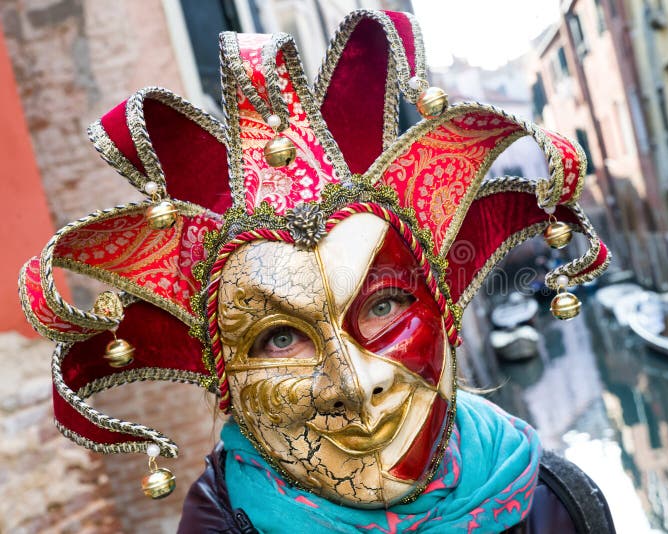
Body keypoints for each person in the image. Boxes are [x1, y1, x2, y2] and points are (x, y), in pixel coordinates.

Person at [19, 9, 614, 533]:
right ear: (224, 383)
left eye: (383, 305)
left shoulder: (557, 505)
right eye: (279, 338)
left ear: (446, 308)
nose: (354, 386)